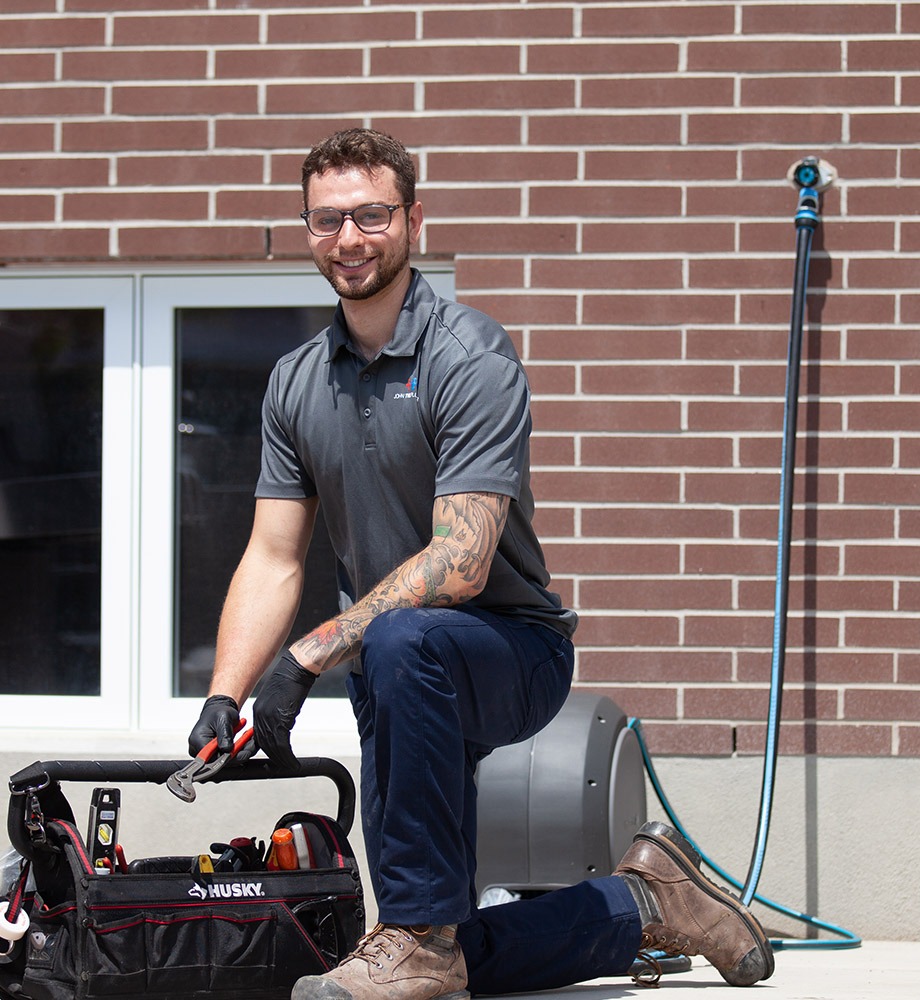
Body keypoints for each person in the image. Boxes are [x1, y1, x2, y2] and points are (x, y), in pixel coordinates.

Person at [186, 128, 774, 999]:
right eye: (326, 220)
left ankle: (429, 938)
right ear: (306, 230)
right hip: (395, 668)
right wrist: (225, 694)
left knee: (405, 648)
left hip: (508, 648)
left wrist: (307, 657)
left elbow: (461, 565)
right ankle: (647, 904)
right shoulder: (297, 380)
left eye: (372, 215)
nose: (349, 238)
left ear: (414, 220)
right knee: (428, 951)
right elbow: (273, 556)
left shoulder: (470, 355)